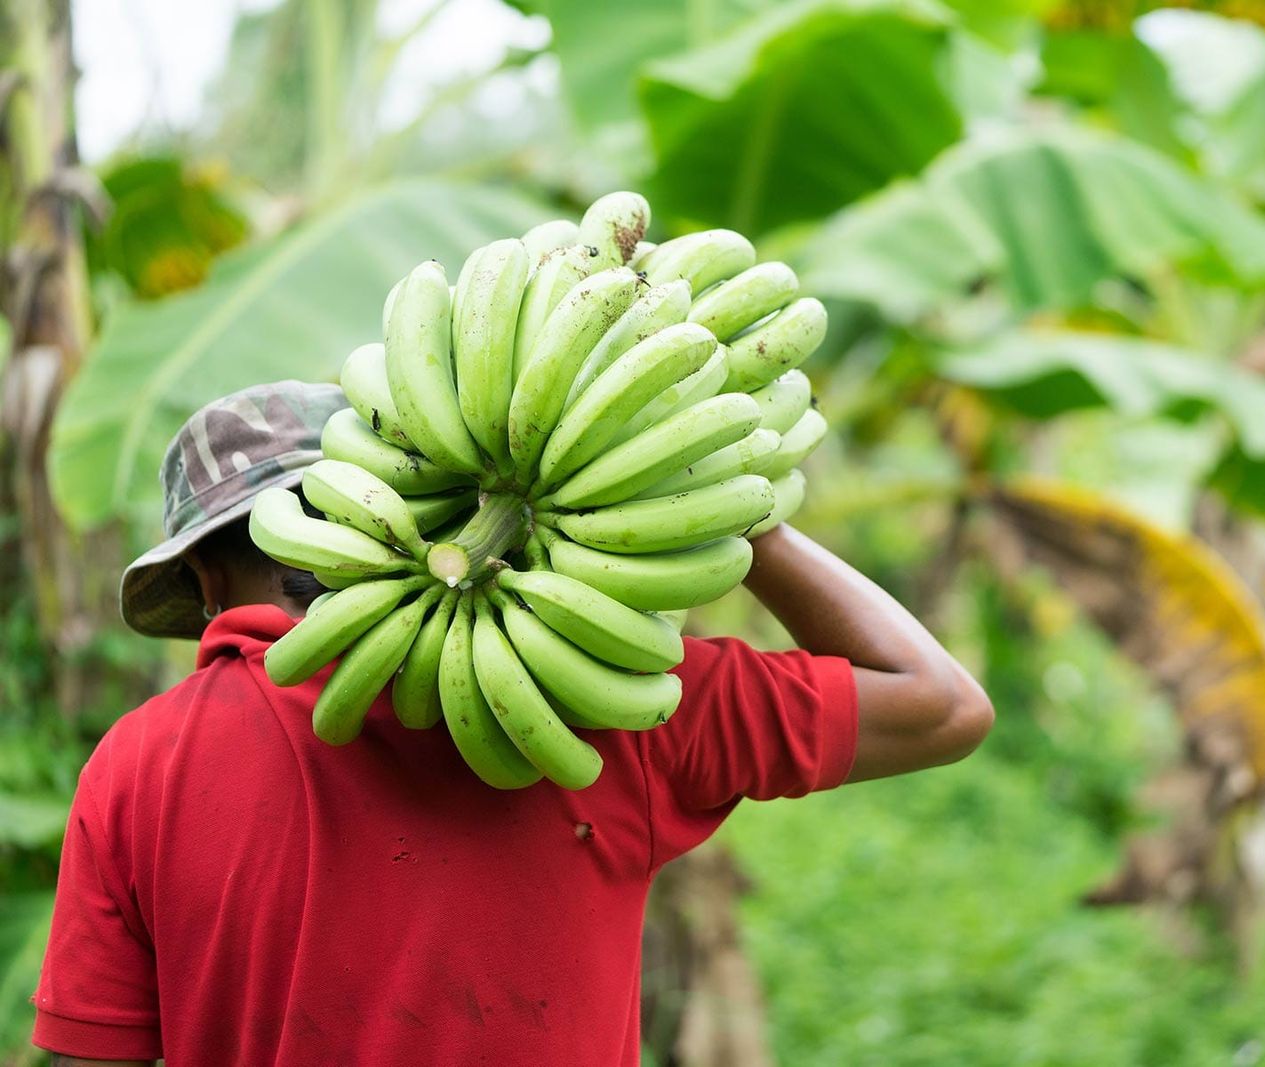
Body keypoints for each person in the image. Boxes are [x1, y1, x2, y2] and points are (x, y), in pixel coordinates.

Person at [31, 380, 993, 1066]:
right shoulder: (605, 704)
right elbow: (941, 704)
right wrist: (733, 503)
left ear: (201, 580)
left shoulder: (133, 769)